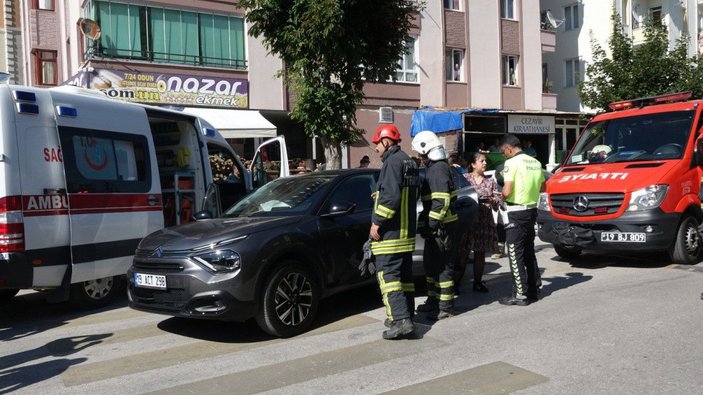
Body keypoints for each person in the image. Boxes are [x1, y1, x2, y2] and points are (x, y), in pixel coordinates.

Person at [369, 124, 419, 339]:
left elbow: (392, 197)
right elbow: (403, 195)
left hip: (390, 234)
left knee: (388, 277)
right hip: (406, 233)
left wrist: (377, 222)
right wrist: (379, 195)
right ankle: (406, 314)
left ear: (386, 142)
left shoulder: (391, 163)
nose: (376, 149)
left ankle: (400, 321)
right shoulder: (409, 161)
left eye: (377, 145)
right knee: (404, 278)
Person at [411, 131, 461, 320]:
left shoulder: (439, 169)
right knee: (431, 266)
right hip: (436, 227)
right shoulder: (434, 169)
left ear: (428, 150)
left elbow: (441, 201)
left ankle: (446, 306)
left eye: (421, 154)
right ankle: (433, 301)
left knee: (443, 266)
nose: (420, 159)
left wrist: (431, 224)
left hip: (443, 226)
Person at [498, 134, 545, 306]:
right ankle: (534, 289)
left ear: (509, 148)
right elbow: (543, 186)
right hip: (531, 210)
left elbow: (507, 191)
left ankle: (520, 294)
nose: (504, 155)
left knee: (514, 252)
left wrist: (499, 197)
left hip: (515, 212)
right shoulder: (535, 162)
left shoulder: (511, 163)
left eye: (504, 152)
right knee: (528, 251)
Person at [466, 152, 499, 293]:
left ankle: (477, 283)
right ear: (473, 164)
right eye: (481, 161)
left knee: (480, 253)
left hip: (484, 221)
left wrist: (494, 201)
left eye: (485, 161)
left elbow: (497, 204)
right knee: (463, 252)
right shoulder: (465, 179)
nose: (485, 163)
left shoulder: (490, 181)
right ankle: (455, 285)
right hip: (468, 222)